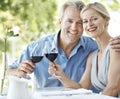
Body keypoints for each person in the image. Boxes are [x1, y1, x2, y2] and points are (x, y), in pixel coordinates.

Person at [7, 0, 120, 92]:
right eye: (69, 21)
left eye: (80, 22)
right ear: (60, 22)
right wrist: (19, 71)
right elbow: (8, 71)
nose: (74, 28)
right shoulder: (38, 47)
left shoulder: (93, 46)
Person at [48, 2, 120, 97]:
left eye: (94, 19)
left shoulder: (116, 47)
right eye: (85, 21)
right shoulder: (92, 56)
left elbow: (113, 87)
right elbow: (82, 88)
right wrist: (61, 75)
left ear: (107, 20)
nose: (89, 24)